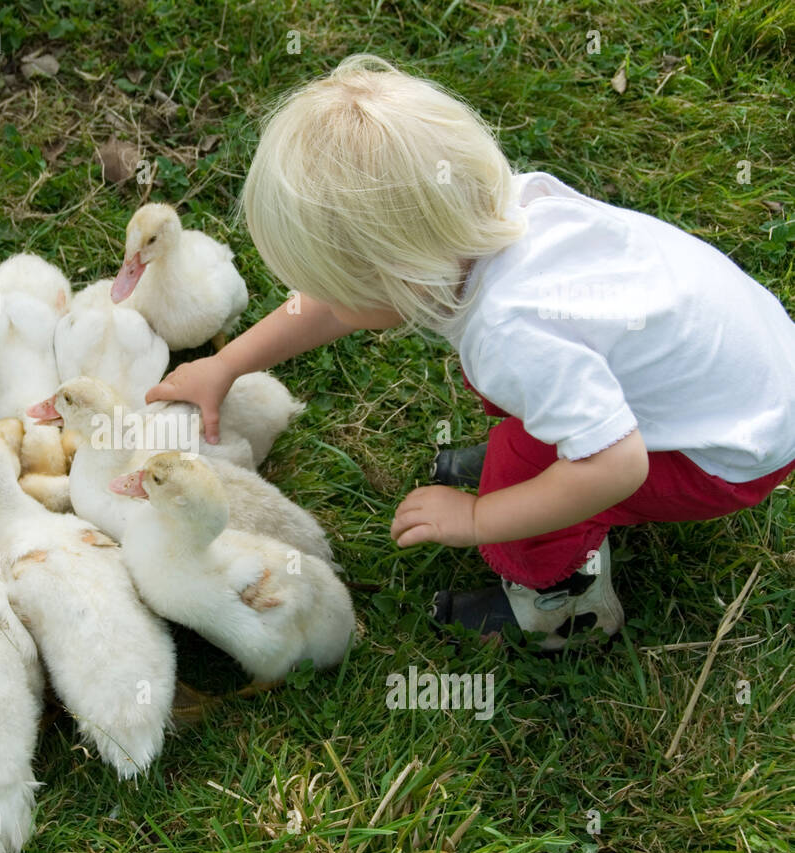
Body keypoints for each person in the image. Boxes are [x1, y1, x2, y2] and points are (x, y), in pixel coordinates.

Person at [146, 55, 795, 649]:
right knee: (537, 432)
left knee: (525, 470)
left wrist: (481, 516)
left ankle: (561, 606)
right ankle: (552, 445)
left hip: (725, 456)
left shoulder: (514, 333)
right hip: (760, 374)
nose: (323, 304)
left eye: (336, 292)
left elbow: (616, 466)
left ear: (400, 282)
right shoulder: (496, 209)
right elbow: (332, 303)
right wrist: (228, 365)